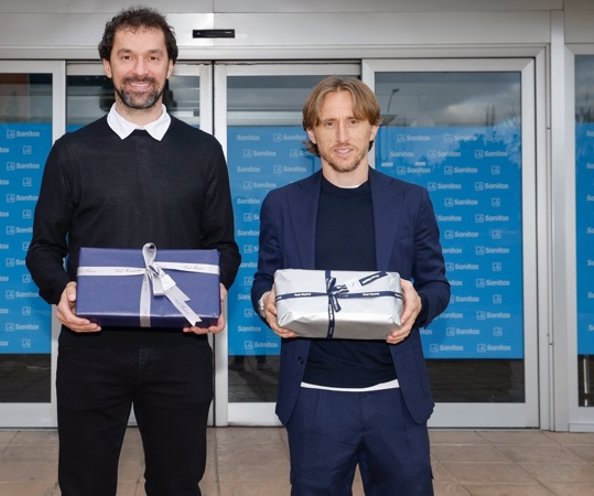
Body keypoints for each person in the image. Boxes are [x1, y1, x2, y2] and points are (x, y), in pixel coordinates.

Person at [26, 7, 240, 496]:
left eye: (152, 56)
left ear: (169, 66)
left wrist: (218, 289)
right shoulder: (71, 152)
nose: (139, 69)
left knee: (178, 483)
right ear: (107, 65)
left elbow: (224, 246)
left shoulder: (203, 152)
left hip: (180, 348)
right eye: (127, 56)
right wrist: (59, 289)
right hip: (91, 347)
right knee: (83, 484)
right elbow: (42, 248)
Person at [251, 76, 450, 495]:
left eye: (354, 122)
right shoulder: (282, 205)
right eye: (329, 124)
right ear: (312, 132)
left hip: (395, 397)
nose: (342, 136)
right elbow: (264, 280)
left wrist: (419, 303)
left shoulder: (411, 201)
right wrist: (266, 302)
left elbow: (437, 284)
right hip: (315, 398)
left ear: (373, 128)